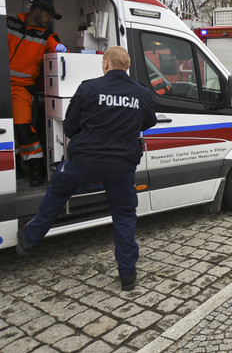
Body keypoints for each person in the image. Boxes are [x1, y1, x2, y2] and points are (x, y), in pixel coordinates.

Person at [17, 46, 157, 292]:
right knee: (124, 216)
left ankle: (29, 240)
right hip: (121, 167)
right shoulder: (141, 93)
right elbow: (149, 122)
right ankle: (128, 276)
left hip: (83, 163)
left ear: (105, 64)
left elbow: (70, 128)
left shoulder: (88, 88)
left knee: (57, 193)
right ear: (127, 67)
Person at [7, 0, 68, 187]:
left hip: (21, 88)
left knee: (23, 129)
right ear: (37, 10)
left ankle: (36, 169)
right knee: (5, 130)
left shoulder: (48, 36)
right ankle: (15, 167)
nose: (49, 20)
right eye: (48, 15)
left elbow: (57, 48)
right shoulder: (10, 23)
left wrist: (60, 50)